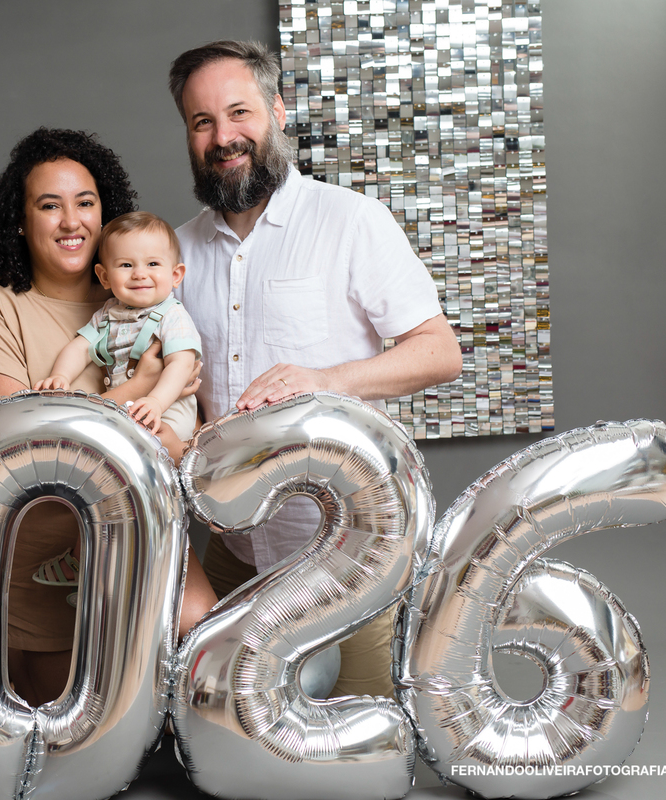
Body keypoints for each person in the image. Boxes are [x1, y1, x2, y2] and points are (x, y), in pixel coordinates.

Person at [168, 40, 463, 698]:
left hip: (351, 552)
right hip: (234, 553)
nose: (224, 137)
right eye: (202, 122)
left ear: (277, 110)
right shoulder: (178, 250)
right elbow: (141, 355)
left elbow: (440, 351)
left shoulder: (353, 221)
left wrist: (325, 379)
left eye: (239, 112)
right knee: (232, 736)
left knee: (363, 745)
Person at [0, 128, 217, 706]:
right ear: (20, 221)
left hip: (141, 534)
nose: (71, 221)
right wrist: (141, 384)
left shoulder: (146, 298)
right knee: (83, 725)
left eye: (86, 203)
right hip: (45, 566)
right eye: (49, 205)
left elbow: (181, 442)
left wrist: (163, 409)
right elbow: (22, 439)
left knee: (200, 669)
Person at [35, 211, 201, 440]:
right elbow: (80, 347)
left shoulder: (172, 315)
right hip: (123, 409)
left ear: (176, 274)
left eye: (153, 263)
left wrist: (156, 402)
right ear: (104, 277)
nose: (140, 274)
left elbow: (181, 364)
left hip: (167, 411)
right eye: (125, 265)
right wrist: (61, 375)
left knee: (140, 446)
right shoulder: (107, 314)